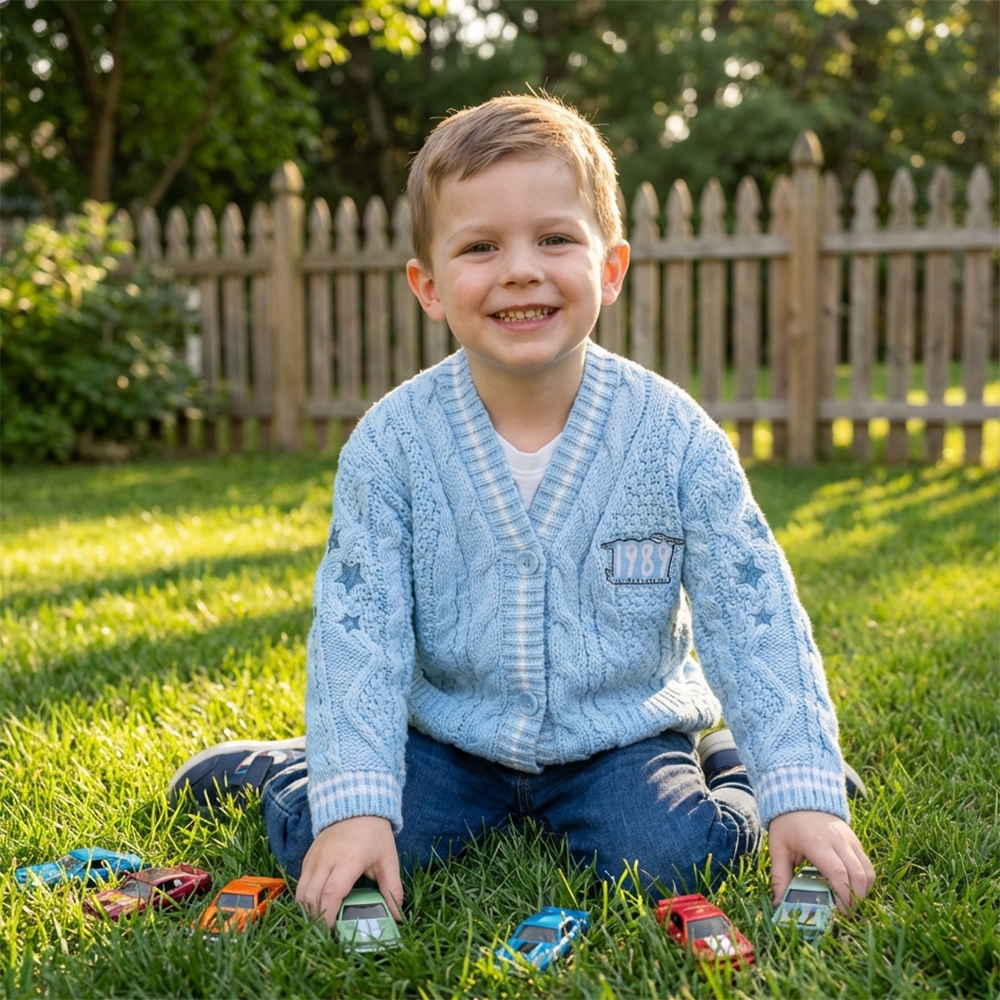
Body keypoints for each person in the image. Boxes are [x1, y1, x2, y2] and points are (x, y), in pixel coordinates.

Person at [169, 94, 875, 930]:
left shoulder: (675, 437)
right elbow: (361, 627)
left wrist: (802, 785)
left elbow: (752, 611)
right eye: (480, 247)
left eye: (554, 238)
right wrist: (358, 800)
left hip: (616, 735)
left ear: (609, 269)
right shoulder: (392, 444)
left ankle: (739, 766)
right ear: (428, 287)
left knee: (671, 856)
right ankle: (292, 770)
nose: (519, 269)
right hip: (448, 734)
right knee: (347, 841)